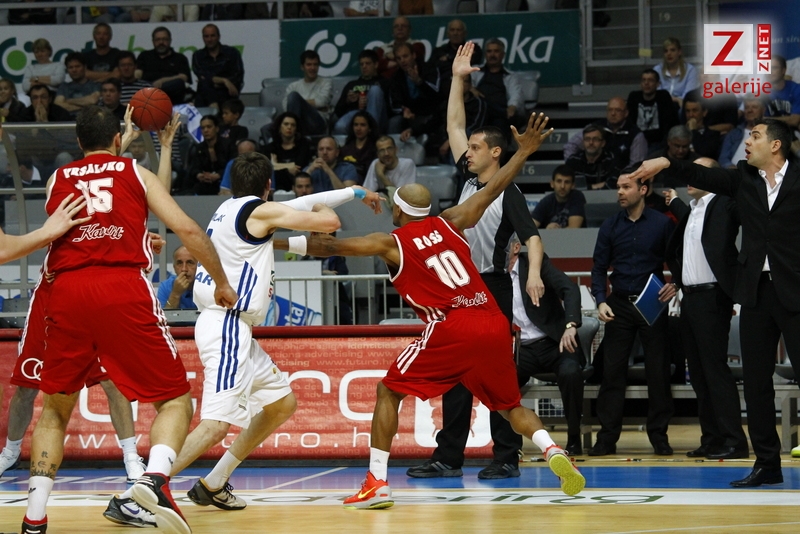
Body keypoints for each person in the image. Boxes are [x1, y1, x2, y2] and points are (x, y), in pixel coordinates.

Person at [299, 112, 585, 509]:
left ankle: (376, 482)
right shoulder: (453, 221)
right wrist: (523, 153)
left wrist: (265, 239)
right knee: (509, 407)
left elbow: (329, 246)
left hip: (453, 323)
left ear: (398, 212)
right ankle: (552, 449)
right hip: (491, 317)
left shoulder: (391, 241)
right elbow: (494, 188)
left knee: (388, 391)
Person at [106, 156, 383, 526]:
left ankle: (214, 482)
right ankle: (136, 495)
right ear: (268, 186)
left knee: (281, 404)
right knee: (215, 425)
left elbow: (301, 204)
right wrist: (323, 206)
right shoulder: (258, 212)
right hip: (227, 326)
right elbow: (328, 221)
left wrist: (355, 192)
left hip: (232, 327)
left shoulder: (229, 208)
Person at [20, 105, 238, 534]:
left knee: (55, 411)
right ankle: (154, 480)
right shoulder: (135, 173)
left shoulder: (56, 178)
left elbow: (86, 206)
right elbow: (188, 230)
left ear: (78, 142)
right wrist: (221, 282)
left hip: (66, 291)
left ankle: (34, 519)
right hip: (121, 287)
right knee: (175, 400)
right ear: (118, 140)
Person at [629, 118, 800, 488]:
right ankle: (767, 464)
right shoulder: (744, 179)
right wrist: (666, 162)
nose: (747, 142)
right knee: (756, 383)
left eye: (755, 136)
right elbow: (702, 175)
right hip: (756, 293)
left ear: (775, 145)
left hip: (794, 291)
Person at [406, 43, 545, 482]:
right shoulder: (468, 179)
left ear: (496, 153)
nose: (467, 150)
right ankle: (449, 457)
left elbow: (533, 237)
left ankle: (507, 456)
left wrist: (534, 274)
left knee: (498, 376)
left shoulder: (510, 192)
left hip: (494, 288)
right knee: (454, 375)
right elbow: (454, 122)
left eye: (476, 146)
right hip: (460, 291)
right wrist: (457, 78)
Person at [663, 158, 748, 460]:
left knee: (715, 371)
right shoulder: (693, 208)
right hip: (690, 299)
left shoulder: (726, 203)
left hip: (713, 298)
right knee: (698, 374)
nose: (691, 176)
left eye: (698, 171)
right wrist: (674, 200)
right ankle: (711, 438)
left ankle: (735, 441)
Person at [588, 165, 677, 457]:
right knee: (612, 373)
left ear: (643, 190)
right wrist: (600, 299)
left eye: (626, 187)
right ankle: (607, 438)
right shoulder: (610, 225)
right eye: (618, 187)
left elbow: (677, 260)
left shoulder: (662, 223)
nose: (620, 192)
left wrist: (676, 283)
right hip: (619, 304)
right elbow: (599, 268)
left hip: (653, 302)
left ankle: (659, 437)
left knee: (658, 373)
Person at [508, 234, 586, 455]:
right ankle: (509, 447)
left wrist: (571, 325)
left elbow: (570, 289)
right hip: (522, 349)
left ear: (516, 248)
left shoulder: (536, 265)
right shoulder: (493, 274)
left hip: (555, 343)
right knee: (502, 382)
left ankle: (574, 438)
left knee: (570, 373)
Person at [563, 97, 648, 171]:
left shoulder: (636, 135)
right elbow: (570, 146)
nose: (613, 113)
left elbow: (636, 166)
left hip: (621, 179)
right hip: (592, 174)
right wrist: (573, 165)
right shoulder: (595, 127)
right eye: (610, 110)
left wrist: (618, 177)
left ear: (626, 113)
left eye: (618, 110)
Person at [470, 38, 524, 134]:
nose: (492, 55)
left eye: (496, 51)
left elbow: (516, 94)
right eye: (489, 51)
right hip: (479, 112)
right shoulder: (475, 72)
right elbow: (464, 83)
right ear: (485, 54)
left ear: (503, 55)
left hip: (501, 115)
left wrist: (512, 107)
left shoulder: (510, 76)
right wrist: (471, 89)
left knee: (502, 124)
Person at [387, 42, 441, 135]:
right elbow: (394, 103)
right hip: (409, 114)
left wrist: (419, 81)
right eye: (399, 58)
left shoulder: (429, 68)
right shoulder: (396, 77)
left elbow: (437, 93)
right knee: (394, 122)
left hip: (430, 112)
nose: (402, 61)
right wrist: (403, 110)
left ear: (414, 55)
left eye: (405, 56)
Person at [332, 50, 388, 135]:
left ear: (376, 65)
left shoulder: (385, 83)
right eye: (362, 64)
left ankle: (371, 133)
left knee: (375, 90)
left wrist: (370, 101)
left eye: (367, 63)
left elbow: (391, 108)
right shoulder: (352, 84)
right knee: (340, 126)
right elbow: (338, 112)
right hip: (356, 114)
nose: (364, 67)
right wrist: (348, 101)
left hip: (378, 118)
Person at [192, 24, 245, 109]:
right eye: (206, 36)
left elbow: (237, 77)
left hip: (227, 94)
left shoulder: (232, 53)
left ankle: (214, 110)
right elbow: (202, 76)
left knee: (204, 85)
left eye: (212, 36)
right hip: (206, 95)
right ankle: (214, 107)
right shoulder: (198, 55)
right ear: (203, 38)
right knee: (203, 86)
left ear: (218, 36)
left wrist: (212, 83)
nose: (209, 39)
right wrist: (225, 81)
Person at [627, 68, 679, 153]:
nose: (646, 83)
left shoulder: (663, 97)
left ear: (658, 84)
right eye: (644, 80)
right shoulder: (634, 97)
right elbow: (630, 123)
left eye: (650, 80)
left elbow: (669, 124)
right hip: (637, 141)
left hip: (658, 142)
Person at [137, 27, 193, 106]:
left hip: (172, 96)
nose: (161, 42)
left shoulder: (180, 58)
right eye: (158, 40)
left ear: (170, 40)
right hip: (147, 95)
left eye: (164, 39)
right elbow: (137, 74)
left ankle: (154, 92)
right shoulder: (144, 56)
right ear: (153, 41)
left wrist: (162, 81)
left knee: (179, 83)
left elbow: (184, 77)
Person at [283, 50, 333, 137]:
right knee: (267, 129)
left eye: (315, 64)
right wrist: (316, 106)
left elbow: (322, 102)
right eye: (309, 64)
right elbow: (286, 107)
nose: (312, 68)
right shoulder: (293, 86)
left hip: (317, 123)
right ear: (302, 67)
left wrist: (297, 103)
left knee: (294, 96)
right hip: (298, 122)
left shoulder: (326, 83)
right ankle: (294, 133)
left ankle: (293, 136)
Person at [186, 114, 235, 195]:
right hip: (203, 184)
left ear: (217, 128)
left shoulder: (228, 145)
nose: (205, 130)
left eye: (209, 127)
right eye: (203, 128)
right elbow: (194, 167)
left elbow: (232, 165)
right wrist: (199, 175)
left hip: (223, 183)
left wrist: (218, 175)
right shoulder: (199, 147)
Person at [264, 112, 313, 192]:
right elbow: (269, 169)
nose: (289, 127)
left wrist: (276, 165)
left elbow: (298, 168)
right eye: (286, 124)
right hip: (277, 187)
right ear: (279, 127)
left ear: (296, 129)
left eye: (293, 125)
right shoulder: (271, 147)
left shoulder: (303, 145)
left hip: (299, 187)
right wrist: (288, 168)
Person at [428, 19, 483, 85]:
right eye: (452, 30)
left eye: (458, 30)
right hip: (444, 86)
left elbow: (475, 60)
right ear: (447, 34)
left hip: (466, 85)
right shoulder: (438, 52)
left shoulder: (473, 48)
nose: (455, 33)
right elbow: (432, 69)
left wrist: (449, 58)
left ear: (465, 33)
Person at [564, 123, 618, 190]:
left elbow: (613, 184)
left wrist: (587, 187)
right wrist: (598, 185)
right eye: (587, 139)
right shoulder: (573, 160)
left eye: (595, 139)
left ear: (603, 143)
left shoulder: (611, 160)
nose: (591, 143)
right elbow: (566, 185)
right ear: (583, 142)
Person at [652, 37, 699, 109]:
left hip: (682, 106)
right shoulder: (657, 70)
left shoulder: (690, 70)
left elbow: (688, 95)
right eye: (666, 51)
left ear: (679, 52)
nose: (669, 54)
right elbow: (657, 94)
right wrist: (675, 99)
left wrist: (678, 101)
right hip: (662, 105)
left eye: (672, 50)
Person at [719, 97, 765, 169]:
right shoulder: (734, 133)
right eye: (746, 107)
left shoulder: (769, 133)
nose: (750, 110)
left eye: (754, 107)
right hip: (732, 172)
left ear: (763, 110)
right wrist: (733, 169)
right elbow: (723, 158)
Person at [54, 52, 101, 118]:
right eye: (70, 67)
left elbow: (93, 100)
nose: (74, 70)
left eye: (77, 66)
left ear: (85, 67)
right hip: (68, 122)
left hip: (90, 121)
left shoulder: (95, 85)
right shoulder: (64, 86)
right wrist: (86, 106)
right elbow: (58, 105)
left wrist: (68, 101)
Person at [339, 111, 379, 183]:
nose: (358, 128)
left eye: (362, 125)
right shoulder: (346, 149)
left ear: (369, 128)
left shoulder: (375, 149)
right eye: (356, 125)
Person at [764, 55, 800, 129]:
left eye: (774, 68)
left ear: (783, 70)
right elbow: (758, 120)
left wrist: (767, 120)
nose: (770, 72)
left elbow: (794, 120)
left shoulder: (796, 89)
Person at [157, 245, 198, 310]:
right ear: (174, 267)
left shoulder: (209, 285)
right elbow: (165, 316)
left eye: (190, 263)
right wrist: (175, 294)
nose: (184, 269)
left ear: (199, 266)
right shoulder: (165, 286)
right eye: (179, 263)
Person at [682, 95, 722, 160]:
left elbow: (704, 153)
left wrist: (693, 130)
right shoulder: (678, 131)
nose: (691, 115)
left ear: (704, 112)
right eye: (688, 111)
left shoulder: (713, 135)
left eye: (695, 110)